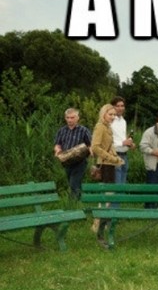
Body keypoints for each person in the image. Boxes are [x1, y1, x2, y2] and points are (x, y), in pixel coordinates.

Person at [91, 104, 125, 240]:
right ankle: (97, 224)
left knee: (108, 195)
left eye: (114, 115)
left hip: (110, 164)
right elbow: (95, 147)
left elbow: (109, 146)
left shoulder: (108, 127)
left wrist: (117, 158)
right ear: (103, 114)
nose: (113, 117)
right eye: (110, 114)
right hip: (104, 165)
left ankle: (100, 223)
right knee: (106, 195)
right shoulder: (100, 126)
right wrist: (112, 158)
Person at [53, 108, 92, 199]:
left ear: (77, 118)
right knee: (72, 183)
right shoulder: (62, 131)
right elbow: (57, 144)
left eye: (72, 117)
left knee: (74, 183)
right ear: (65, 118)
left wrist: (91, 152)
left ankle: (73, 203)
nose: (70, 120)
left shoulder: (83, 130)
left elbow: (90, 145)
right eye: (68, 118)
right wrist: (57, 150)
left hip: (80, 161)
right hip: (67, 160)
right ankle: (79, 200)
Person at [110, 96, 135, 184]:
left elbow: (122, 138)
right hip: (114, 154)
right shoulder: (110, 121)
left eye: (122, 106)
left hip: (124, 154)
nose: (120, 108)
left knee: (123, 183)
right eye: (118, 106)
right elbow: (107, 141)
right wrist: (122, 143)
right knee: (117, 183)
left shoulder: (123, 121)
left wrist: (129, 143)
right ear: (112, 107)